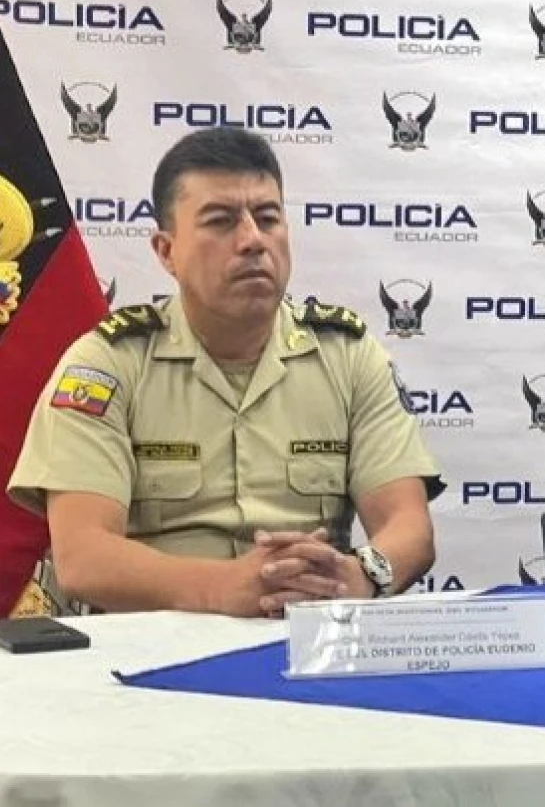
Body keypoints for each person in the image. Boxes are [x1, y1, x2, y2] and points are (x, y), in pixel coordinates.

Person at [7, 127, 439, 617]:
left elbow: (409, 527)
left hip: (308, 632)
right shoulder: (108, 364)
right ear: (166, 251)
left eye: (268, 218)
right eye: (221, 221)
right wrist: (223, 588)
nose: (253, 240)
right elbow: (84, 558)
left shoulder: (349, 355)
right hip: (154, 645)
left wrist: (359, 575)